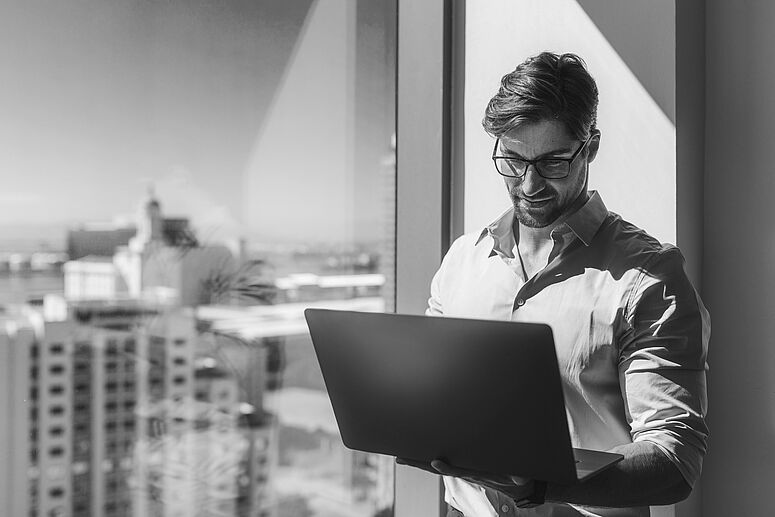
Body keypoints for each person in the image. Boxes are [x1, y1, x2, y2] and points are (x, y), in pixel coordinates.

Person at [398, 52, 710, 516]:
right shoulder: (464, 260)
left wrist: (549, 483)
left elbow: (673, 459)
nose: (528, 184)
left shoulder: (648, 278)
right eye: (512, 159)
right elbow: (433, 394)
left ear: (591, 147)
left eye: (552, 163)